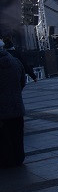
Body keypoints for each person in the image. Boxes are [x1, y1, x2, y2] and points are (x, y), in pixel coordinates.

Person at [0, 39, 26, 168]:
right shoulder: (15, 61)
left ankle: (7, 160)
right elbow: (22, 81)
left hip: (2, 110)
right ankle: (19, 158)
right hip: (16, 106)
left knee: (4, 137)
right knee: (17, 134)